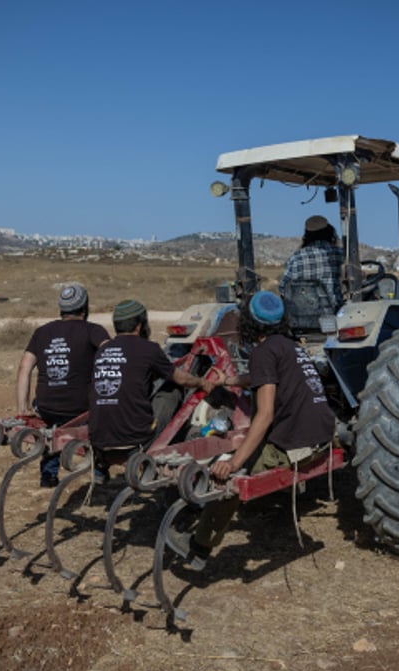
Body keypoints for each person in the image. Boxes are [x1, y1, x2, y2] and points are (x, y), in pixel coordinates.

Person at [166, 290, 336, 569]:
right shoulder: (290, 347)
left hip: (300, 446)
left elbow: (265, 414)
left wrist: (233, 463)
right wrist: (228, 380)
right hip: (323, 434)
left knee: (226, 478)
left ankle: (199, 548)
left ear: (248, 322)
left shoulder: (263, 352)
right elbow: (263, 378)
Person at [88, 299, 215, 482]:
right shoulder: (149, 349)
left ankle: (101, 467)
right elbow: (180, 378)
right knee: (173, 389)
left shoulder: (103, 350)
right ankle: (177, 440)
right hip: (134, 440)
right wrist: (202, 383)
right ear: (140, 326)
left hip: (98, 438)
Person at [16, 282, 110, 487]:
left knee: (51, 428)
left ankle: (49, 475)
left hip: (46, 406)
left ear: (62, 309)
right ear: (85, 308)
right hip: (81, 409)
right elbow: (111, 357)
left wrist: (23, 408)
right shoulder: (94, 331)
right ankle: (100, 469)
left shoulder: (42, 332)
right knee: (105, 407)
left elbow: (24, 368)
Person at [279, 215, 346, 309]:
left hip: (305, 314)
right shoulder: (341, 254)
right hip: (335, 311)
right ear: (330, 232)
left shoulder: (296, 258)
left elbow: (283, 289)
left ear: (307, 235)